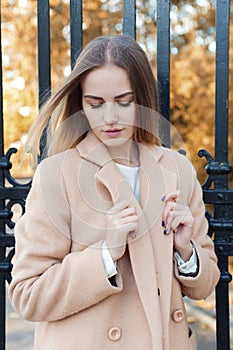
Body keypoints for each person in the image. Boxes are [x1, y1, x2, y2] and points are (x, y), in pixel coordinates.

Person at [9, 35, 220, 350]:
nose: (109, 118)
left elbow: (205, 286)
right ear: (80, 104)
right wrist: (106, 253)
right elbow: (28, 294)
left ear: (143, 100)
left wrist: (185, 250)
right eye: (95, 104)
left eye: (124, 101)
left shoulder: (178, 170)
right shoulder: (56, 175)